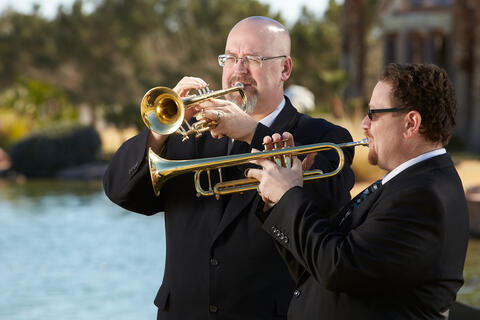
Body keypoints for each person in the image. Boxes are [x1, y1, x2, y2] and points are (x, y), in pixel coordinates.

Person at [103, 16, 355, 320]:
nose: (239, 70)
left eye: (253, 59)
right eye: (231, 58)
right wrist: (160, 130)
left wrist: (252, 132)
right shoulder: (187, 133)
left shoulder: (323, 137)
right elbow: (120, 191)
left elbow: (330, 204)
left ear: (285, 68)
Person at [247, 63, 469, 319]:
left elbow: (339, 267)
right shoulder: (405, 183)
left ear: (411, 123)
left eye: (373, 114)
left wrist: (288, 196)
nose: (364, 124)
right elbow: (318, 268)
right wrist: (279, 201)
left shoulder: (425, 195)